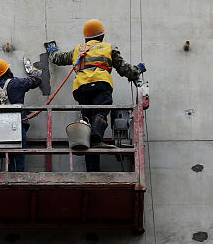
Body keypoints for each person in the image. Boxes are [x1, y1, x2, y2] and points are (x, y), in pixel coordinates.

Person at [49, 19, 145, 171]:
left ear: (86, 37)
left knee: (87, 120)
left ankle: (92, 167)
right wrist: (137, 70)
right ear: (102, 36)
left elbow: (58, 58)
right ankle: (97, 137)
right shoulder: (108, 47)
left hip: (81, 88)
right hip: (100, 84)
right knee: (100, 112)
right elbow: (124, 69)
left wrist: (52, 50)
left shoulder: (78, 49)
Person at [0, 57, 42, 171]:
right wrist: (33, 72)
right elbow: (36, 80)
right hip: (15, 128)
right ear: (6, 71)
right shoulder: (17, 83)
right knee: (16, 160)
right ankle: (15, 181)